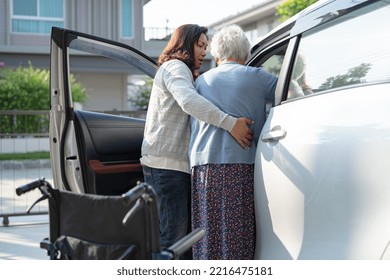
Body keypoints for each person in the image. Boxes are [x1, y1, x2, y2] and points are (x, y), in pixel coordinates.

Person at [140, 24, 254, 258]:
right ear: (185, 44)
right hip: (166, 167)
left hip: (172, 166)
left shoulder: (182, 71)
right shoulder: (175, 67)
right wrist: (231, 124)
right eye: (200, 45)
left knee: (179, 240)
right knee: (174, 241)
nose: (204, 52)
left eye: (206, 46)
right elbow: (189, 101)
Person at [189, 24, 278, 260]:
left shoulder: (201, 82)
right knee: (238, 235)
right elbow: (292, 90)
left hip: (203, 167)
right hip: (241, 165)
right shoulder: (258, 77)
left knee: (207, 235)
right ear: (246, 54)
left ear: (216, 55)